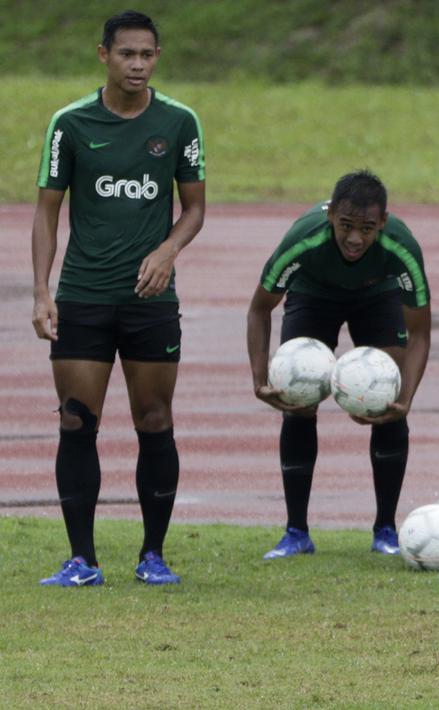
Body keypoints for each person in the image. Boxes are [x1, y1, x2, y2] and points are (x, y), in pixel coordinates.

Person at [31, 11, 206, 587]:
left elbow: (195, 209)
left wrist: (168, 251)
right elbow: (47, 212)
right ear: (103, 54)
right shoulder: (70, 124)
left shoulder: (179, 122)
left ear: (157, 57)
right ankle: (82, 560)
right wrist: (42, 291)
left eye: (147, 55)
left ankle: (153, 555)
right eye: (127, 54)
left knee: (154, 419)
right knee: (77, 422)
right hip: (82, 296)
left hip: (150, 302)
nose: (137, 64)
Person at [246, 170, 431, 559]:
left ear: (382, 222)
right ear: (330, 215)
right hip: (312, 293)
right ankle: (296, 532)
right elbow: (259, 309)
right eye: (346, 226)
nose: (355, 238)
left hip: (377, 294)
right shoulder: (303, 241)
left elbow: (420, 334)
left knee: (390, 404)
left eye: (367, 228)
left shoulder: (401, 248)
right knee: (297, 402)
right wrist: (260, 380)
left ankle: (385, 530)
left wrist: (408, 397)